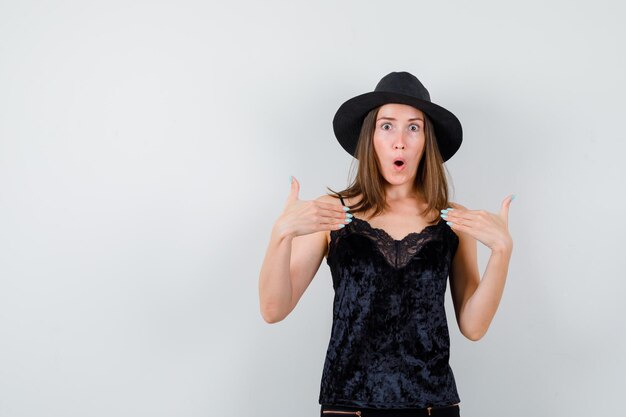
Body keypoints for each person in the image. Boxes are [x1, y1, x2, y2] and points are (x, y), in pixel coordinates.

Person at [258, 71, 514, 417]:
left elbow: (473, 326)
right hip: (349, 407)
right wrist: (281, 235)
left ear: (426, 141)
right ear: (370, 137)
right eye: (387, 126)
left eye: (413, 127)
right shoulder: (333, 212)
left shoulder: (454, 219)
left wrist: (501, 252)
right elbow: (274, 309)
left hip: (432, 406)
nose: (400, 142)